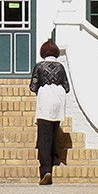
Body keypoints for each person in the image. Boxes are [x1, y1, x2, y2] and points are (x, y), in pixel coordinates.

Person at [29, 40, 70, 185]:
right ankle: (54, 158)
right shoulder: (61, 67)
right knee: (53, 131)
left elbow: (33, 86)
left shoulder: (40, 66)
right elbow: (67, 87)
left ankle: (46, 170)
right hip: (59, 99)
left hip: (46, 99)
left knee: (44, 136)